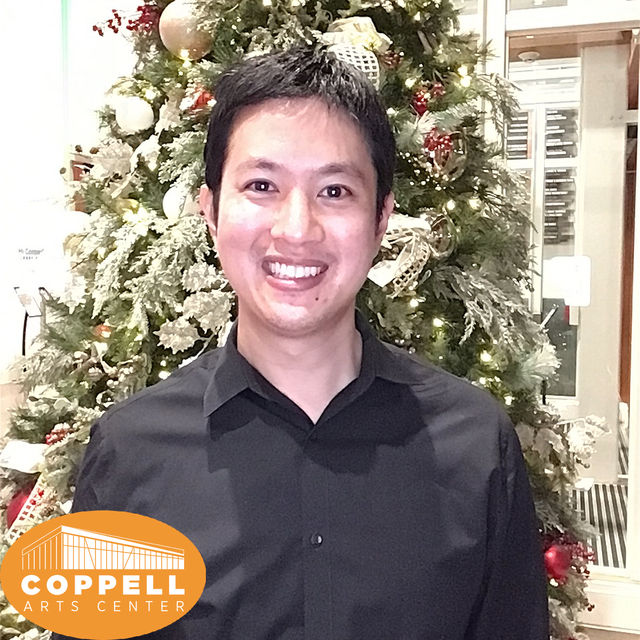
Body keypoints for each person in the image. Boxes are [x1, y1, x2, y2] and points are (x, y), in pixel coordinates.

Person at [52, 46, 549, 639]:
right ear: (210, 210)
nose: (296, 229)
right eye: (261, 185)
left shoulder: (474, 443)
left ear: (381, 219)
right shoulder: (131, 450)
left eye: (334, 191)